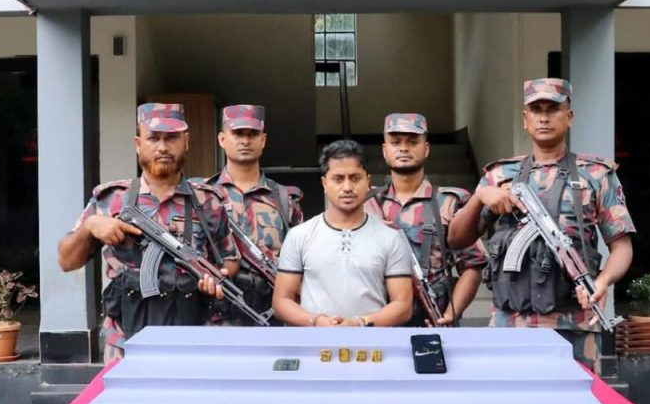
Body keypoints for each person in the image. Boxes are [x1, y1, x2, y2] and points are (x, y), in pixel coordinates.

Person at [447, 78, 634, 373]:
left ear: (569, 117)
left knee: (578, 401)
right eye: (536, 110)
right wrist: (481, 197)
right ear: (525, 119)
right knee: (511, 402)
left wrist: (603, 281)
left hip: (575, 325)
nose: (544, 117)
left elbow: (621, 246)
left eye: (553, 109)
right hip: (511, 325)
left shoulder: (596, 174)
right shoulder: (499, 175)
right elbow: (456, 239)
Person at [57, 102, 239, 361]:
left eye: (171, 138)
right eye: (153, 138)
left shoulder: (208, 201)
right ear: (138, 144)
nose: (162, 147)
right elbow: (66, 261)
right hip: (125, 341)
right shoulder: (110, 200)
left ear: (186, 142)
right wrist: (90, 227)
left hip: (193, 338)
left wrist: (214, 278)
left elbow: (229, 260)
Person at [272, 140, 414, 327]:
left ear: (368, 181)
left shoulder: (390, 238)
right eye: (338, 179)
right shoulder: (299, 236)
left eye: (355, 178)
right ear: (324, 183)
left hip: (371, 343)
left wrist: (360, 323)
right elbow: (281, 301)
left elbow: (403, 306)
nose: (347, 187)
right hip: (315, 343)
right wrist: (317, 321)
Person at [366, 112, 487, 326]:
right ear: (385, 150)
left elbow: (472, 265)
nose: (404, 148)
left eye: (413, 142)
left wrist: (451, 313)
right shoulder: (365, 203)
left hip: (431, 319)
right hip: (376, 321)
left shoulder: (450, 202)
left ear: (426, 149)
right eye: (395, 142)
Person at [205, 104, 304, 323]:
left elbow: (301, 258)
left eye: (252, 134)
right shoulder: (203, 195)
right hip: (217, 313)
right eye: (238, 133)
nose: (245, 141)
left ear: (263, 140)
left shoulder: (285, 199)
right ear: (222, 139)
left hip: (272, 313)